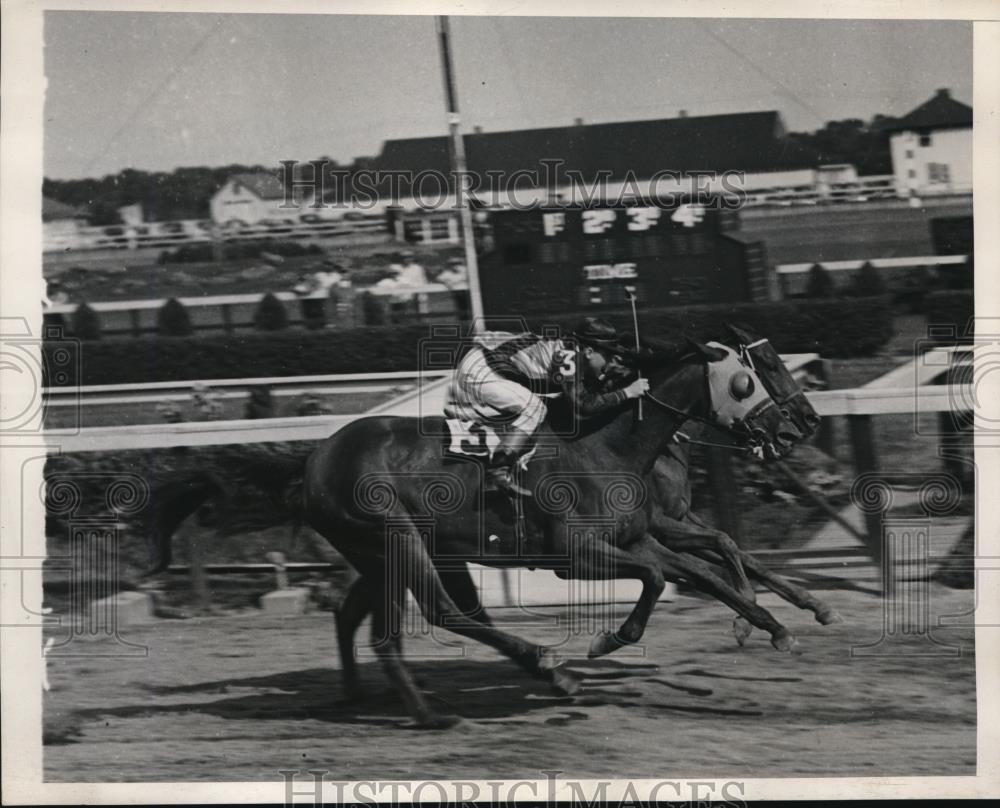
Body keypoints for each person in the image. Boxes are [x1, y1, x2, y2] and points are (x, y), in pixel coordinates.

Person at [444, 317, 649, 498]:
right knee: (535, 409)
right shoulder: (568, 357)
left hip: (489, 364)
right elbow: (583, 406)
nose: (611, 361)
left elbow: (587, 396)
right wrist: (627, 393)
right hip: (480, 368)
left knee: (539, 407)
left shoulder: (573, 352)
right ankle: (497, 471)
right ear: (588, 351)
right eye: (608, 354)